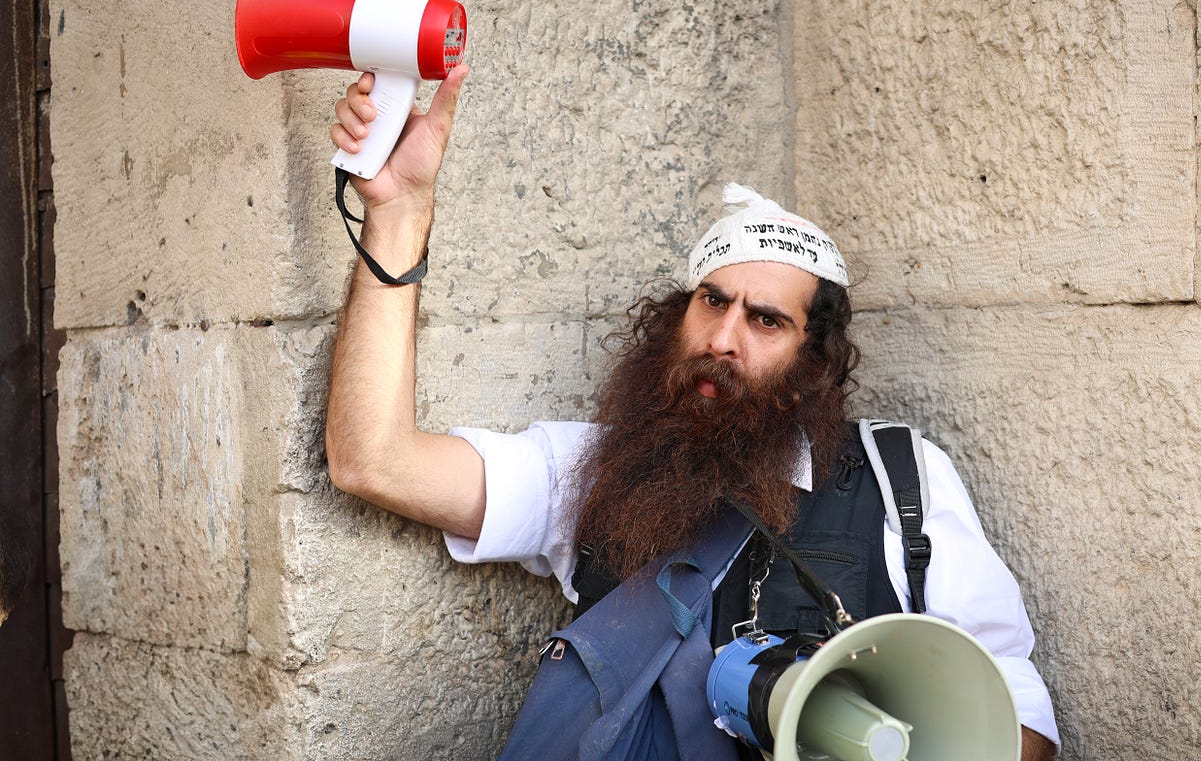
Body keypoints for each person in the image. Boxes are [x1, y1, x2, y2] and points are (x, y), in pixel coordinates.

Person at [324, 66, 1060, 760]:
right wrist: (398, 213)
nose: (723, 339)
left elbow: (1015, 706)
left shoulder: (899, 480)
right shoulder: (592, 470)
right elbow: (374, 459)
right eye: (712, 301)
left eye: (766, 321)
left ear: (813, 362)